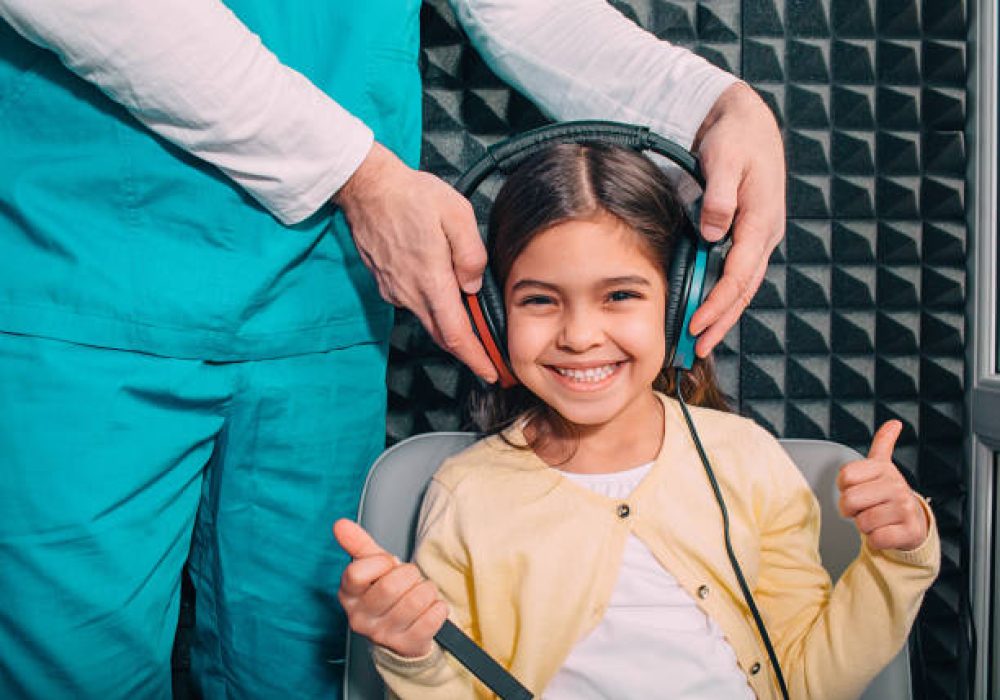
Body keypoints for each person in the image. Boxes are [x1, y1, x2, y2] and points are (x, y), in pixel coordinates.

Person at [0, 1, 783, 698]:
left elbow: (529, 13)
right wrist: (355, 174)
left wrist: (713, 106)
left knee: (308, 668)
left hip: (326, 300)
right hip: (87, 286)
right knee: (74, 671)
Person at [335, 143, 941, 700]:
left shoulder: (745, 460)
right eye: (539, 300)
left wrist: (898, 557)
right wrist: (412, 654)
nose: (578, 336)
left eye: (620, 295)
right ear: (494, 314)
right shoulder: (466, 494)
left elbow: (807, 680)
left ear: (679, 304)